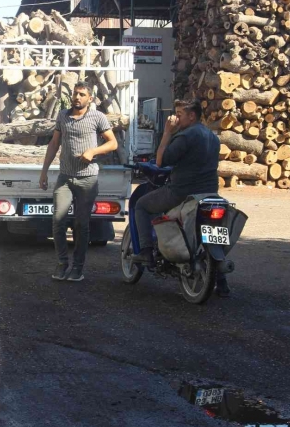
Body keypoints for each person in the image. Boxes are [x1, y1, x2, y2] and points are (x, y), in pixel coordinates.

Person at [131, 99, 230, 295]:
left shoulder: (185, 136)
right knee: (212, 233)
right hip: (210, 192)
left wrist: (167, 132)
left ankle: (146, 252)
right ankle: (222, 282)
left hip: (182, 192)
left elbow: (160, 162)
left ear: (191, 116)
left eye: (179, 114)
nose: (175, 118)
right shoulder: (213, 136)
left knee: (141, 206)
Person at [39, 82, 118, 282]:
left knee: (81, 224)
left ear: (89, 98)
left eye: (82, 94)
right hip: (65, 177)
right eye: (75, 93)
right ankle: (62, 264)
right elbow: (54, 143)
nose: (77, 97)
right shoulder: (63, 116)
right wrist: (44, 171)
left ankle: (78, 268)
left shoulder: (97, 117)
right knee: (58, 221)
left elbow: (112, 143)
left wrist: (93, 151)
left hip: (87, 179)